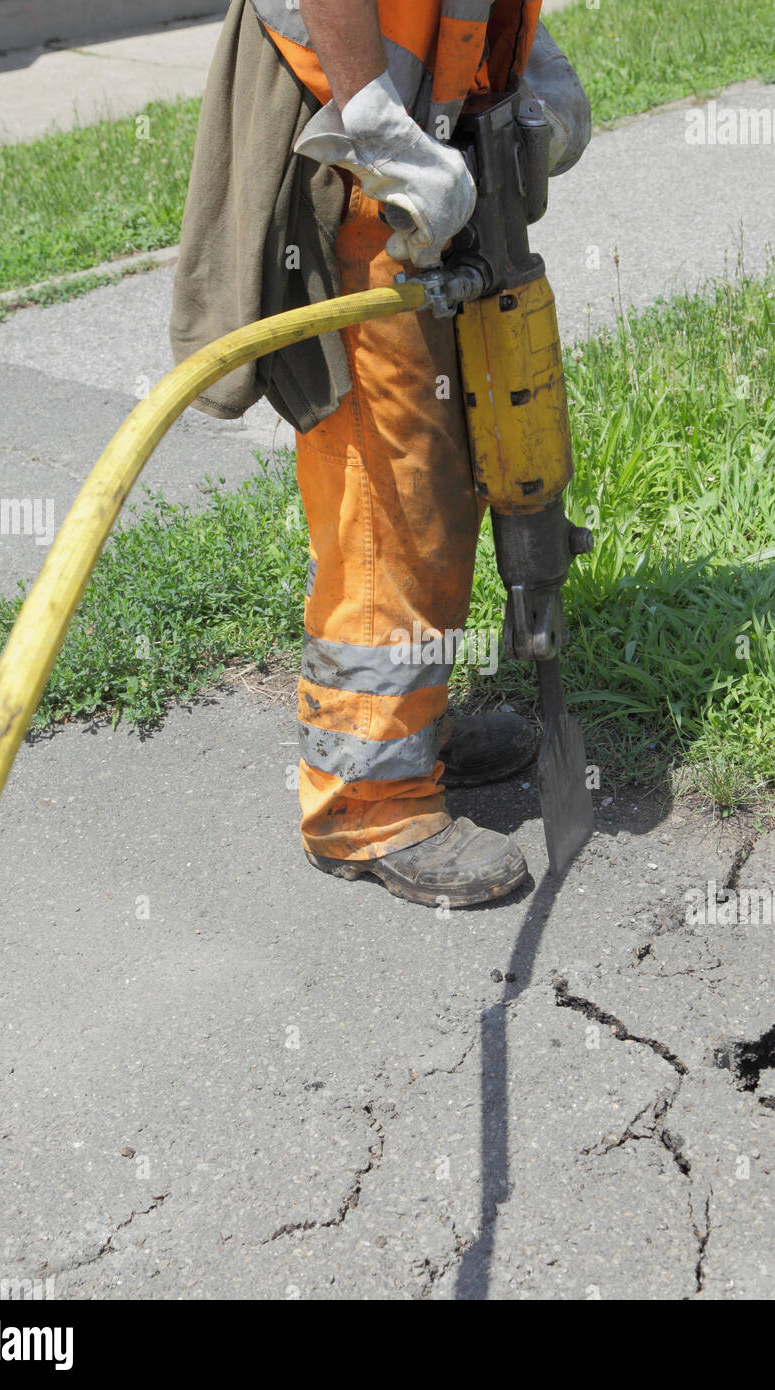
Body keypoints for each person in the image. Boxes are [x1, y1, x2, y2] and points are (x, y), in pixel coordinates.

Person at [172, 1, 590, 907]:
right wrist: (371, 118)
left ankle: (409, 727)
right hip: (357, 143)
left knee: (441, 466)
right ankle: (367, 800)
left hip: (419, 119)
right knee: (389, 485)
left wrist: (521, 55)